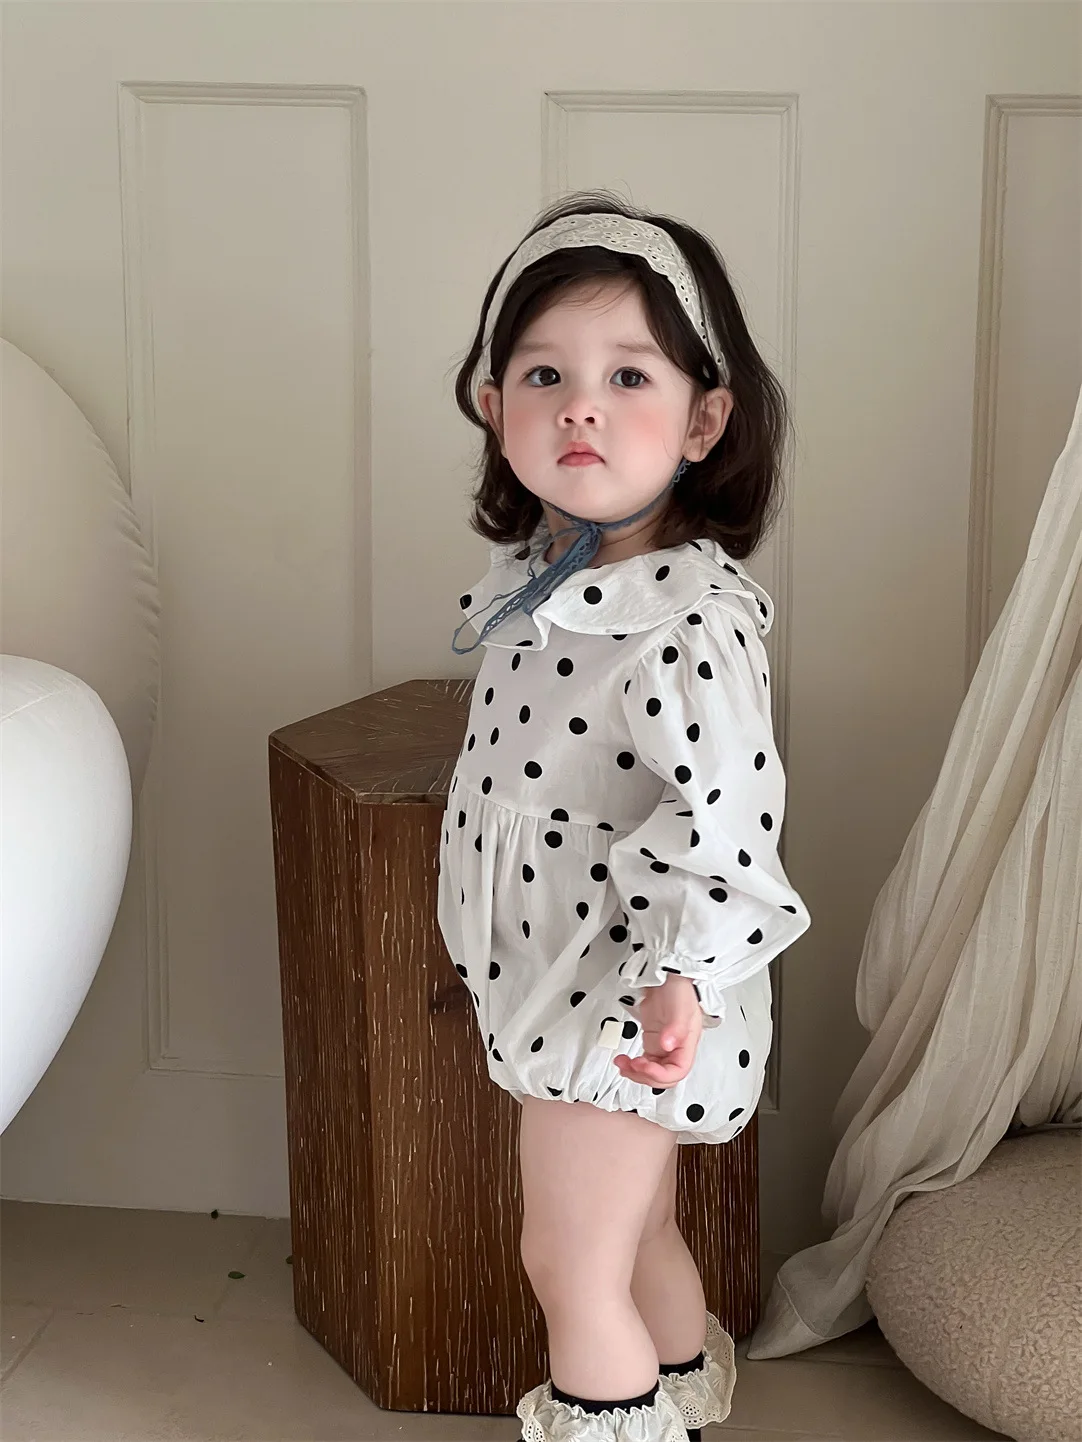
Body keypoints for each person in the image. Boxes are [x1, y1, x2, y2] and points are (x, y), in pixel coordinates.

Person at [437, 190, 812, 1442]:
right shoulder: (542, 587)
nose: (579, 406)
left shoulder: (680, 621)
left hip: (622, 995)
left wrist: (681, 975)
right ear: (493, 406)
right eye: (543, 373)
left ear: (703, 418)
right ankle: (679, 1403)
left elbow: (725, 818)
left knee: (569, 1261)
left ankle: (613, 1418)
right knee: (638, 1230)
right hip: (559, 973)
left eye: (628, 375)